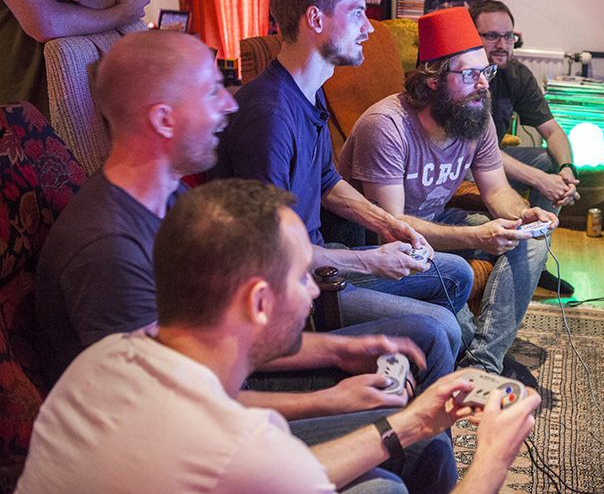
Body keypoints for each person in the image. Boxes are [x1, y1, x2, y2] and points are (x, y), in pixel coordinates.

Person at [34, 30, 457, 453]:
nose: (230, 103)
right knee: (422, 444)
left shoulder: (170, 196)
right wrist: (327, 400)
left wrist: (341, 350)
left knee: (424, 335)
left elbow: (220, 338)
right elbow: (168, 402)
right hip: (173, 440)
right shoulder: (109, 248)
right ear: (163, 119)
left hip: (224, 380)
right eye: (211, 91)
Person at [16, 178, 541, 494]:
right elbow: (269, 466)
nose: (315, 290)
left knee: (404, 460)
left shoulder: (109, 357)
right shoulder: (236, 447)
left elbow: (295, 470)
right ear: (259, 302)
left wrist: (415, 420)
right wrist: (493, 456)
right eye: (301, 276)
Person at [211, 0, 472, 352]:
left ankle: (442, 367)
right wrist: (371, 261)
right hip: (292, 284)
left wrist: (388, 224)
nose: (368, 27)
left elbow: (326, 181)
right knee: (440, 329)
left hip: (321, 259)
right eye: (356, 13)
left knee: (456, 273)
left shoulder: (307, 91)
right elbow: (269, 252)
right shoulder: (269, 116)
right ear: (315, 19)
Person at [339, 7, 558, 380]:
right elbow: (390, 229)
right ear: (433, 79)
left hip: (434, 223)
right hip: (379, 245)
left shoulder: (476, 115)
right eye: (470, 74)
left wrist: (522, 215)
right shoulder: (387, 126)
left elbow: (497, 190)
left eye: (485, 72)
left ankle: (483, 361)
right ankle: (480, 360)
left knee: (531, 239)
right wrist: (475, 237)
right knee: (452, 268)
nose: (484, 84)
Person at [467, 0, 579, 297]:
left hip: (493, 163)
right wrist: (540, 180)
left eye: (508, 36)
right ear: (472, 36)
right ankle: (523, 262)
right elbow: (475, 150)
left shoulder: (515, 74)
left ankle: (535, 260)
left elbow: (552, 130)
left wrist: (566, 171)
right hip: (462, 167)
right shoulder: (465, 75)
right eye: (492, 36)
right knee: (542, 173)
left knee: (550, 160)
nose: (502, 44)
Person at [0, 0, 149, 116]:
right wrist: (123, 14)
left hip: (82, 92)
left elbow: (105, 2)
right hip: (23, 99)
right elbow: (44, 25)